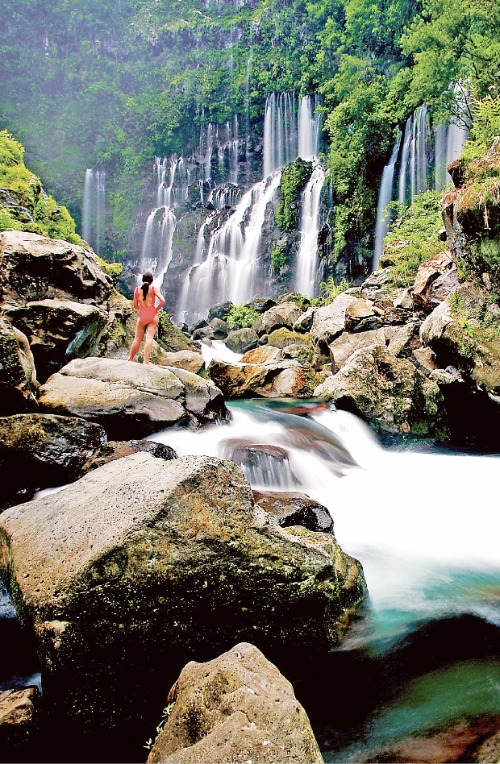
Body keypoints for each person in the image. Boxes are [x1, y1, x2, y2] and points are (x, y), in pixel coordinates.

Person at [127, 272, 165, 364]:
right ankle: (146, 362)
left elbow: (135, 305)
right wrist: (156, 309)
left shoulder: (137, 290)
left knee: (137, 339)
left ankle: (130, 359)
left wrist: (142, 306)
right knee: (149, 338)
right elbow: (163, 300)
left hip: (142, 315)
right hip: (152, 315)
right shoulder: (153, 289)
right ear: (152, 281)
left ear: (142, 280)